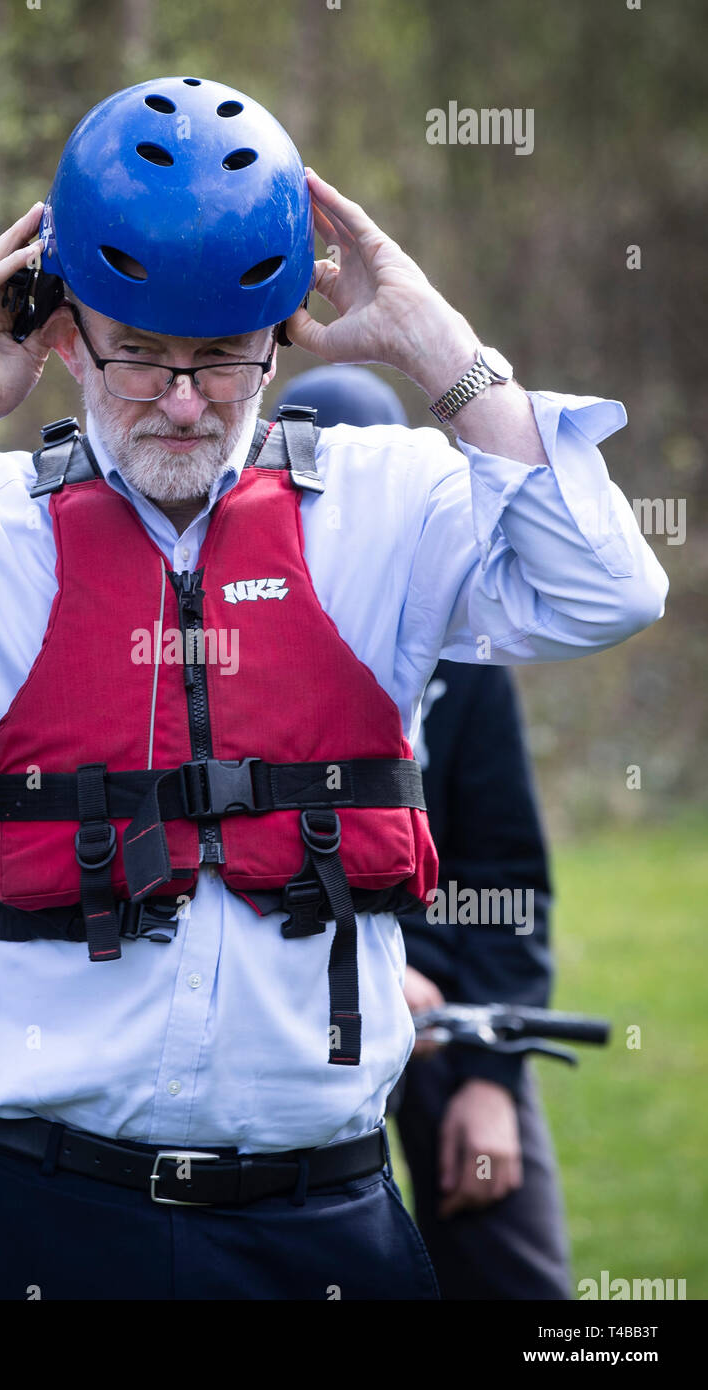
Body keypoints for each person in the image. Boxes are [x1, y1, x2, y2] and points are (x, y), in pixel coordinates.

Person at [0, 76, 667, 1301]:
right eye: (139, 357)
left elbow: (610, 590)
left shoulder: (391, 501)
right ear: (62, 333)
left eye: (220, 361)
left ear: (279, 341)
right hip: (26, 1214)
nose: (178, 400)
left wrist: (438, 345)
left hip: (316, 1220)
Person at [273, 366, 570, 1299]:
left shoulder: (463, 640)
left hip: (448, 1021)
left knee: (512, 1270)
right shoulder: (230, 647)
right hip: (289, 1012)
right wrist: (364, 952)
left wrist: (491, 1076)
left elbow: (504, 863)